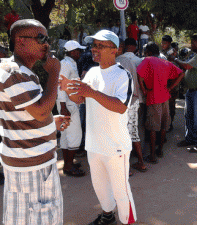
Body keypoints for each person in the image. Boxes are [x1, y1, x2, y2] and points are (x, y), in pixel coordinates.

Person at [59, 30, 136, 225]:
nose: (94, 49)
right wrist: (69, 88)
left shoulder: (122, 75)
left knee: (121, 190)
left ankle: (128, 221)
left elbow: (120, 107)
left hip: (115, 146)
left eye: (100, 46)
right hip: (94, 144)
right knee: (100, 187)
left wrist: (91, 92)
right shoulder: (93, 72)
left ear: (115, 50)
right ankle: (108, 215)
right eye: (94, 45)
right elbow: (80, 98)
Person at [0, 19, 67, 225]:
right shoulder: (15, 73)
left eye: (47, 38)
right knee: (42, 217)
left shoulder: (22, 72)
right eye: (40, 38)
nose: (46, 44)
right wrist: (55, 71)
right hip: (33, 167)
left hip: (27, 163)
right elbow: (39, 111)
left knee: (23, 217)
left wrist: (49, 122)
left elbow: (26, 114)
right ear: (20, 41)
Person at [137, 42, 184, 163]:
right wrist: (170, 87)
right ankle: (160, 150)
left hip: (153, 97)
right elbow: (181, 73)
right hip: (165, 96)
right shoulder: (165, 62)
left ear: (148, 52)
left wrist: (144, 89)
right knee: (163, 126)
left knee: (153, 127)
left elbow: (139, 75)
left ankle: (152, 155)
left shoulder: (147, 60)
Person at [172, 34, 197, 153]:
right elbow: (186, 63)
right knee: (189, 116)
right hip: (193, 91)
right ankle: (190, 139)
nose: (191, 45)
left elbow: (187, 66)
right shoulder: (196, 53)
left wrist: (174, 59)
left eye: (193, 43)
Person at [116, 38, 146, 172]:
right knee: (133, 132)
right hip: (132, 101)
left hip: (123, 103)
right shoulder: (131, 61)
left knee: (123, 134)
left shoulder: (119, 61)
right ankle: (140, 162)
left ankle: (125, 167)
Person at [57, 40, 86, 177]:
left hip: (69, 103)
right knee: (75, 135)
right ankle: (69, 166)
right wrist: (63, 106)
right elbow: (60, 84)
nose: (79, 53)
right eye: (78, 51)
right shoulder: (65, 64)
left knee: (66, 135)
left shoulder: (70, 63)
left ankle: (68, 163)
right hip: (67, 104)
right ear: (72, 51)